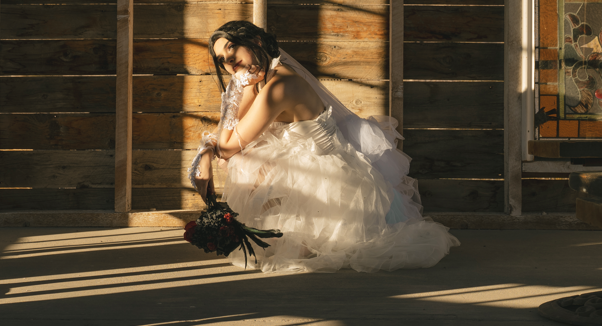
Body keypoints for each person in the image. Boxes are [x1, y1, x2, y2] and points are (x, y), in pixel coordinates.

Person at [189, 20, 459, 273]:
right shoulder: (266, 77)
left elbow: (226, 147)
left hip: (332, 180)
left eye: (232, 48)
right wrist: (207, 147)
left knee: (244, 159)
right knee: (250, 156)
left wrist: (231, 99)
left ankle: (303, 234)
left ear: (257, 41)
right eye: (222, 60)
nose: (229, 62)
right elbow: (228, 137)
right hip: (308, 163)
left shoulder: (279, 85)